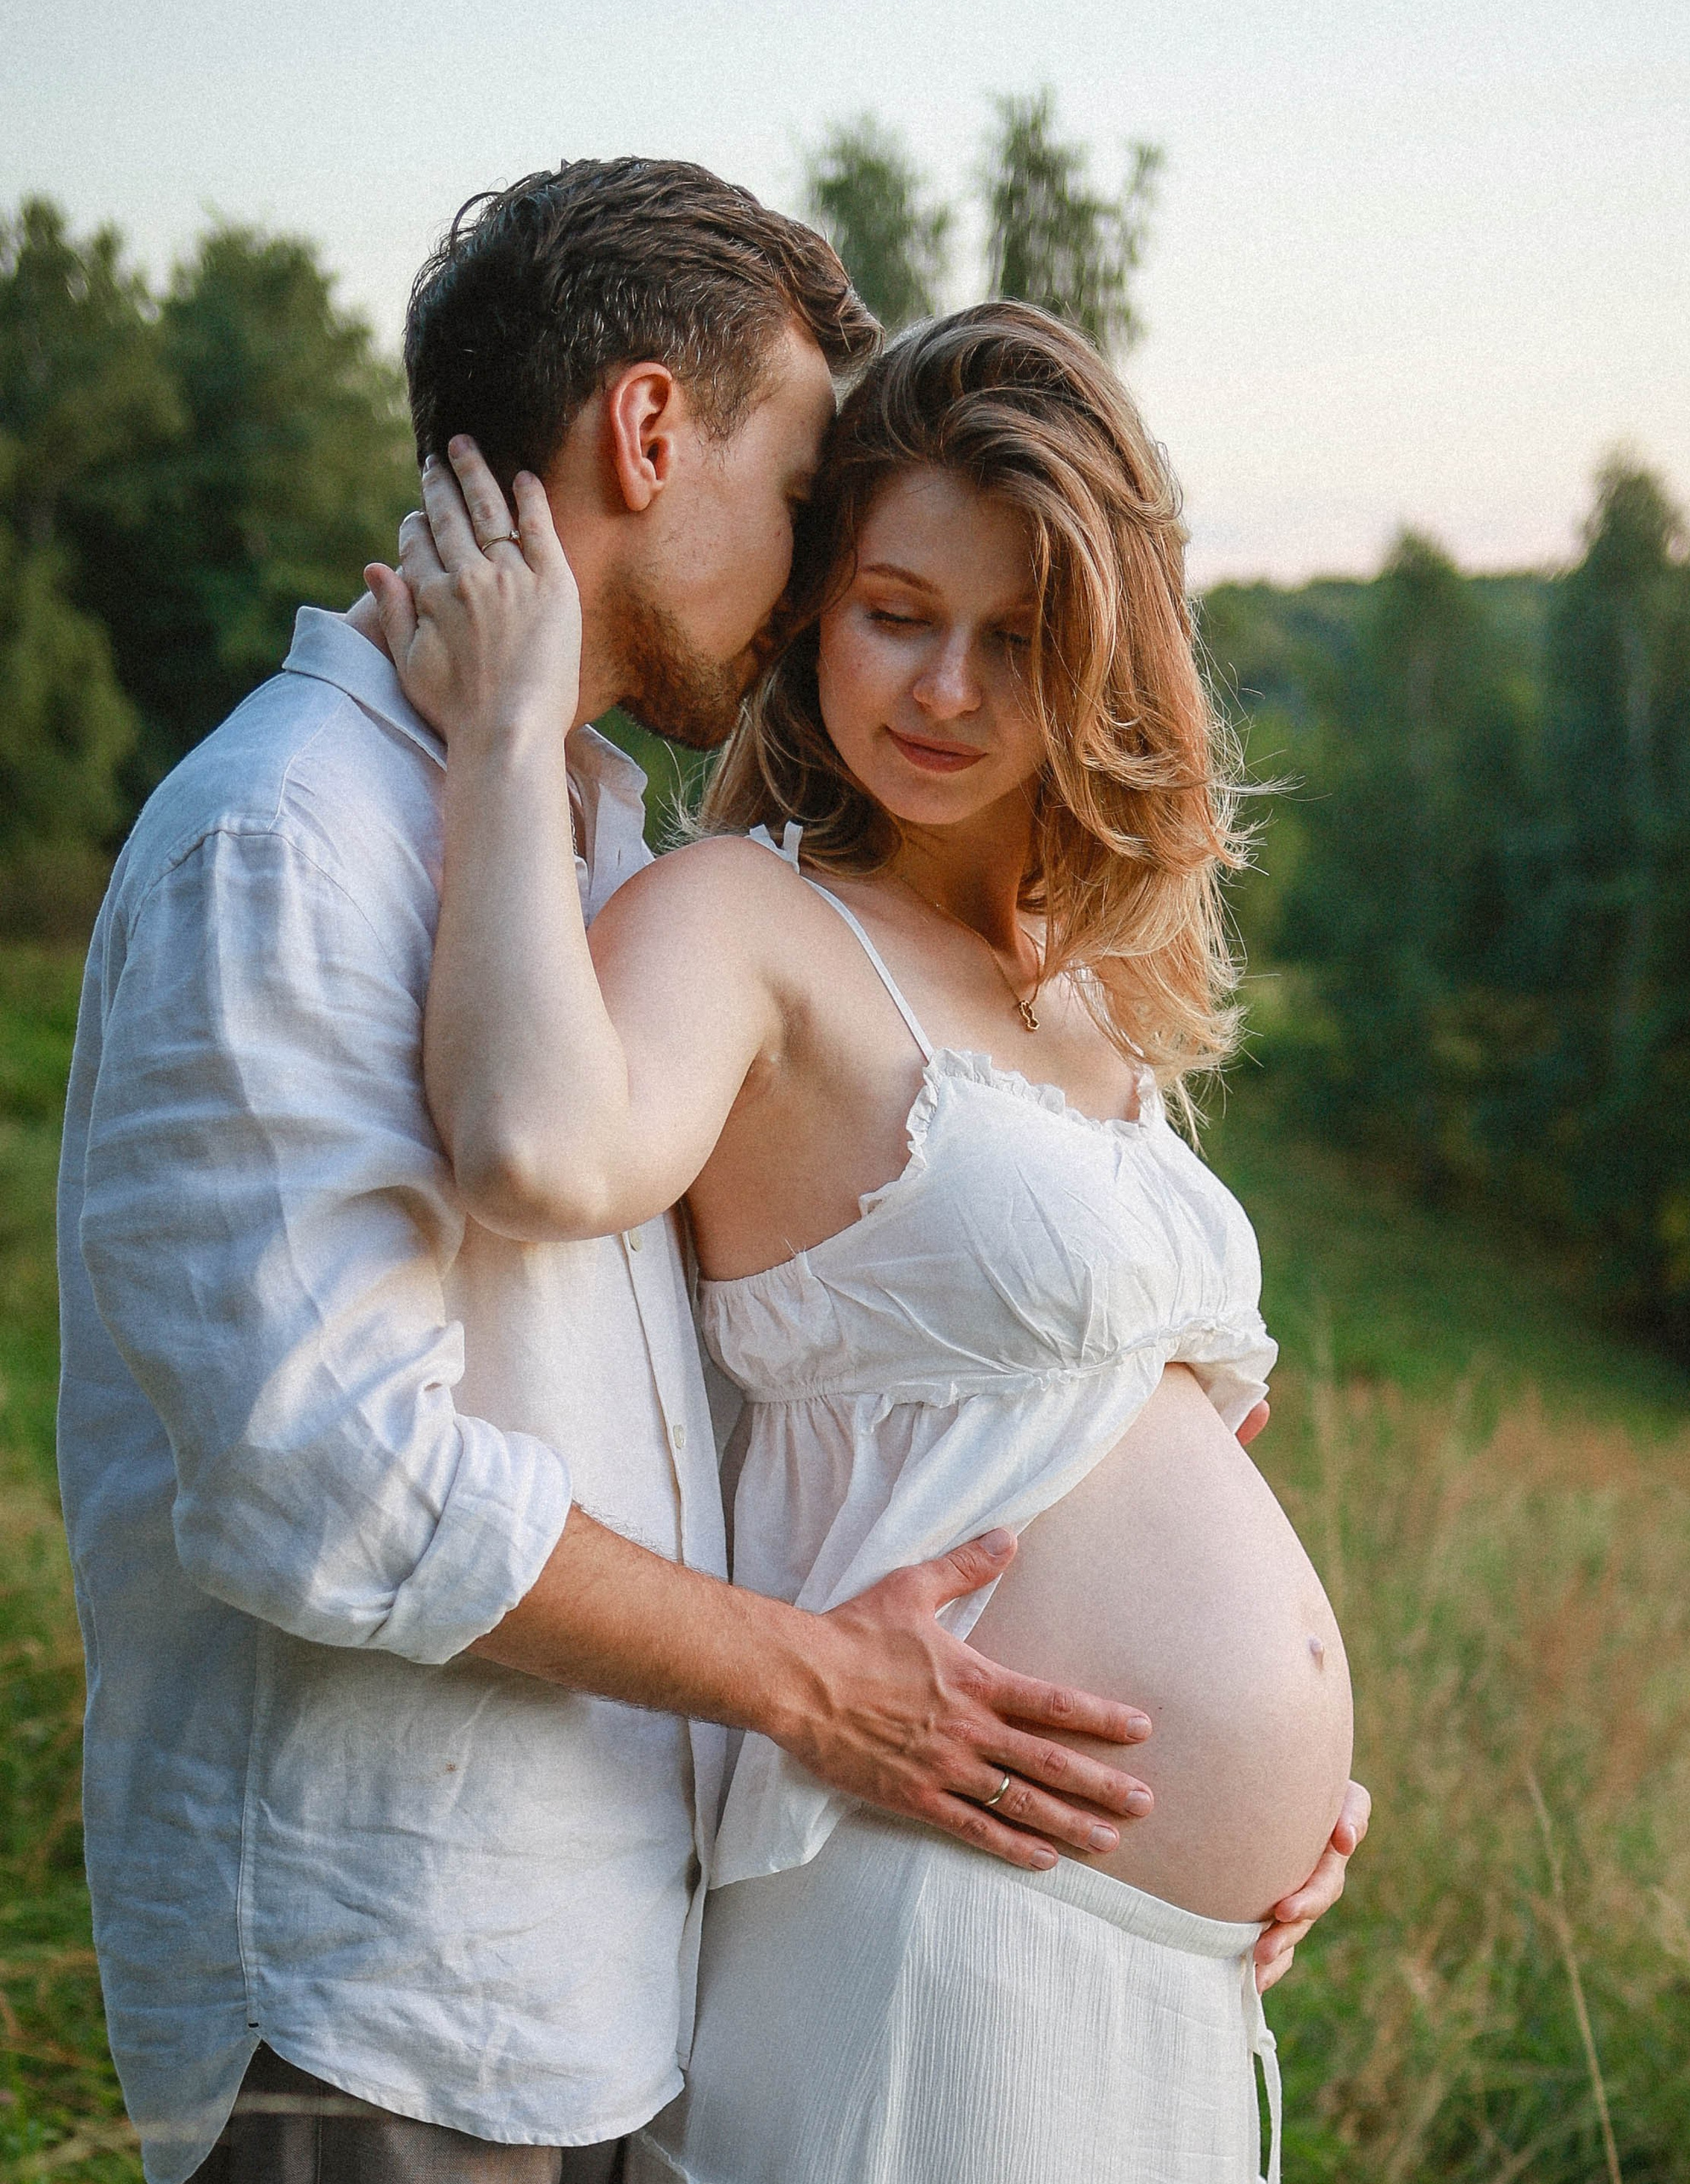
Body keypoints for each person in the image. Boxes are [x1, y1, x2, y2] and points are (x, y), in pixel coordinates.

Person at [55, 163, 1356, 2184]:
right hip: (376, 1981)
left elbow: (820, 1422)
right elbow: (320, 1477)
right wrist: (818, 1685)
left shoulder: (592, 855)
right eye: (829, 526)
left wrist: (1259, 1771)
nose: (832, 590)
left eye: (1000, 632)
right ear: (655, 436)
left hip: (595, 1972)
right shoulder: (294, 838)